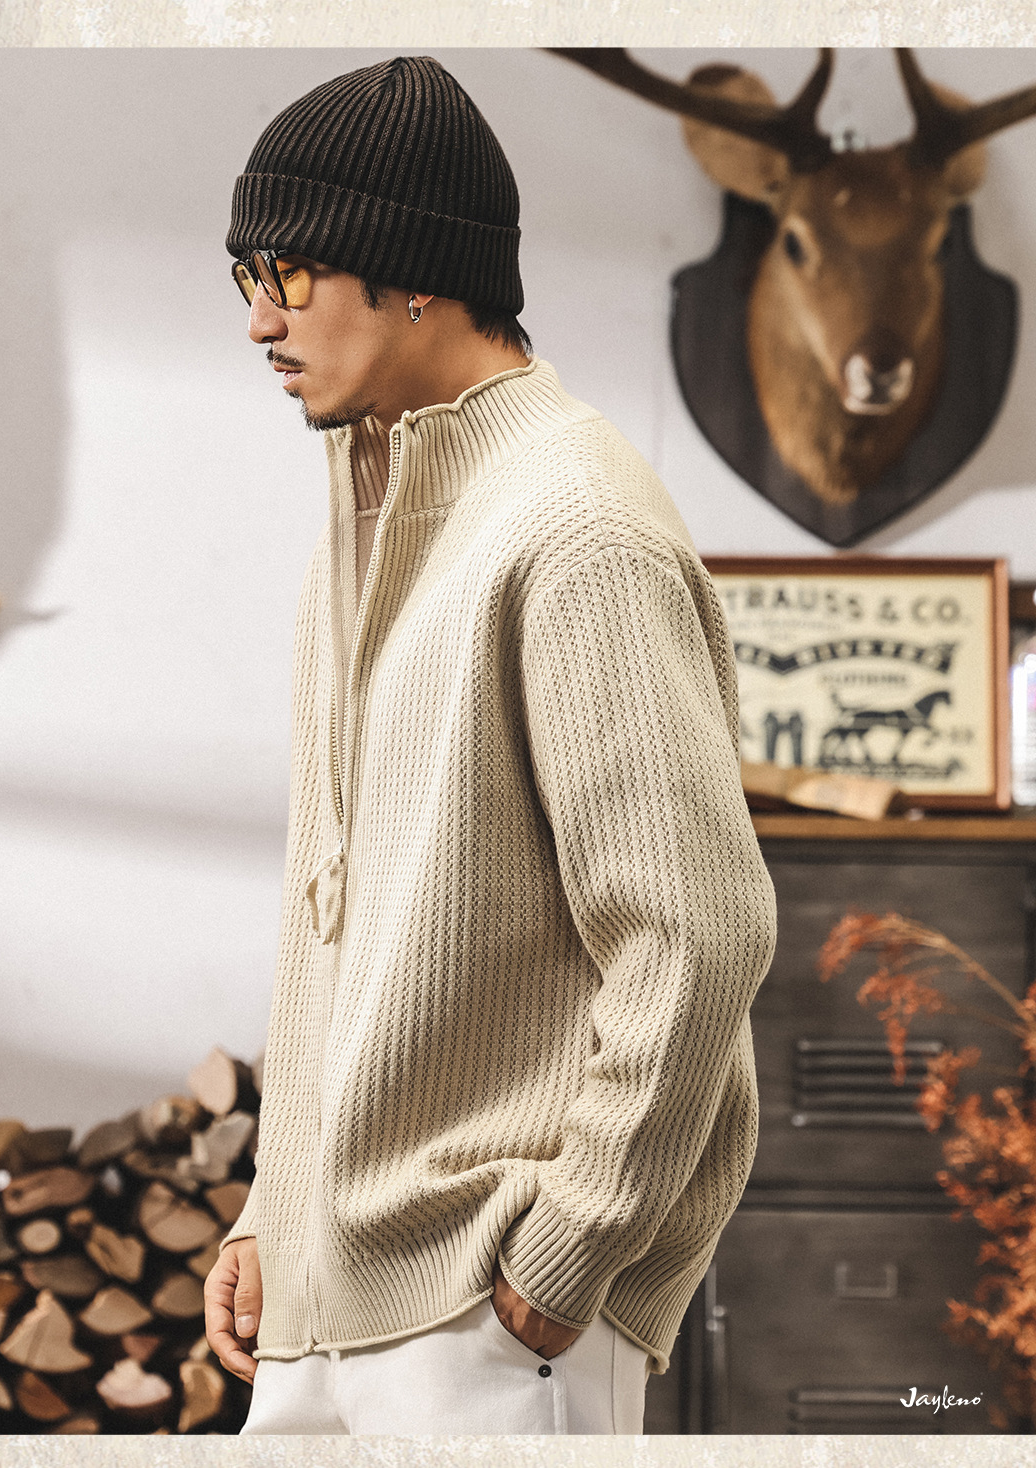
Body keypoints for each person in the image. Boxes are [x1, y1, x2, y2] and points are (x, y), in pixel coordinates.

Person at [203, 54, 777, 1436]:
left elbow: (698, 930)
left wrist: (570, 1248)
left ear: (416, 275)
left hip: (490, 1313)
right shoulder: (371, 519)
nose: (260, 321)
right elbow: (334, 912)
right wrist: (278, 1205)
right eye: (245, 280)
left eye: (288, 274)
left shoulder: (578, 529)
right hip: (328, 1302)